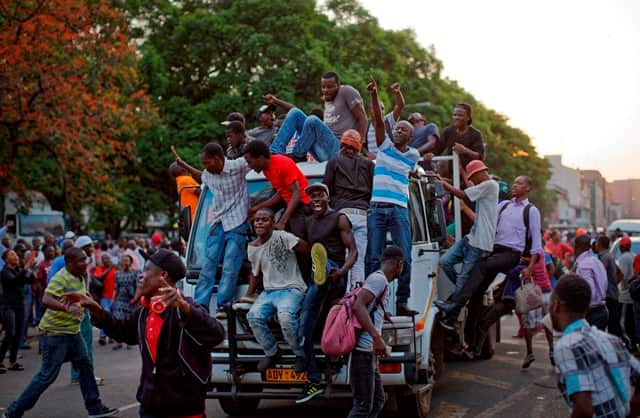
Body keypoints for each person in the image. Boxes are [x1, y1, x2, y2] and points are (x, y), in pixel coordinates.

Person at [63, 249, 226, 418]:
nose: (141, 275)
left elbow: (217, 334)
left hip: (184, 407)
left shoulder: (185, 308)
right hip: (150, 404)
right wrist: (94, 307)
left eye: (146, 270)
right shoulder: (144, 312)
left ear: (163, 275)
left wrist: (184, 307)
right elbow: (122, 331)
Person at [3, 248, 118, 418]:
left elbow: (83, 296)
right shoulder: (61, 277)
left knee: (85, 367)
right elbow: (46, 299)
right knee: (46, 376)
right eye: (81, 260)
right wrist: (67, 307)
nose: (85, 263)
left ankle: (95, 408)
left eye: (86, 259)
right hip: (55, 334)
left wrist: (90, 306)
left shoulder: (81, 275)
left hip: (72, 332)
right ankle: (13, 412)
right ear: (70, 262)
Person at [172, 143, 250, 317]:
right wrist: (183, 164)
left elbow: (258, 159)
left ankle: (223, 305)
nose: (205, 167)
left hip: (237, 222)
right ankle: (200, 306)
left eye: (207, 163)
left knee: (230, 265)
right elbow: (202, 177)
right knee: (207, 265)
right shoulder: (209, 174)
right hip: (218, 222)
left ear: (217, 159)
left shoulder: (238, 165)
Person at [364, 75, 421, 316]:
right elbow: (378, 120)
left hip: (398, 209)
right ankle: (371, 300)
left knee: (404, 256)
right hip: (377, 208)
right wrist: (374, 94)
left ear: (410, 137)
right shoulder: (383, 146)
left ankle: (401, 301)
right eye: (396, 128)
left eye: (403, 130)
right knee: (373, 257)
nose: (397, 131)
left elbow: (395, 112)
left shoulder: (413, 156)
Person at [297, 182, 357, 403]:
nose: (316, 199)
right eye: (312, 196)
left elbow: (353, 250)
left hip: (336, 278)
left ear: (328, 198)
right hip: (317, 280)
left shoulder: (339, 218)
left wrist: (342, 270)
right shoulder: (309, 221)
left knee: (325, 263)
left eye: (320, 194)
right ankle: (314, 379)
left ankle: (324, 270)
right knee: (304, 329)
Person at [550, 274, 640, 418]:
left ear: (556, 305)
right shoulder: (610, 340)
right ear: (588, 309)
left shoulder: (566, 346)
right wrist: (630, 411)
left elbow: (584, 409)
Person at [246, 208, 309, 372]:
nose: (259, 222)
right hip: (269, 291)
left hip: (292, 288)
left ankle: (301, 354)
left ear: (273, 223)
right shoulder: (252, 246)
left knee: (286, 318)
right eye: (257, 220)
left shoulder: (282, 236)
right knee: (253, 316)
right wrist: (248, 295)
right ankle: (272, 351)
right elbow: (255, 273)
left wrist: (292, 242)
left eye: (264, 219)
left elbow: (307, 249)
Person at [435, 160, 499, 322]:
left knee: (463, 276)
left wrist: (444, 185)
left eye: (473, 176)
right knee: (445, 262)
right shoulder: (484, 186)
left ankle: (455, 304)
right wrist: (460, 172)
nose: (473, 180)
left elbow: (464, 194)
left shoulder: (491, 185)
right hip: (471, 238)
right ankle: (463, 294)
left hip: (480, 243)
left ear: (479, 174)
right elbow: (470, 187)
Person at [348, 245, 404, 418]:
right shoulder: (379, 279)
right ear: (399, 264)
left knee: (378, 400)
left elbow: (368, 304)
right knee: (362, 407)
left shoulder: (379, 281)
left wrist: (381, 312)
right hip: (362, 352)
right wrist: (376, 337)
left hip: (368, 353)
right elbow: (358, 306)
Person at [267, 72, 368, 162]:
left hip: (339, 148)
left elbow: (362, 119)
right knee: (295, 113)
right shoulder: (328, 100)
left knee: (312, 120)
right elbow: (300, 115)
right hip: (323, 149)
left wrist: (357, 147)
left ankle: (297, 155)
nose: (326, 90)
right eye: (323, 87)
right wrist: (276, 101)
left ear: (338, 85)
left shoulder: (346, 91)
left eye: (330, 87)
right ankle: (275, 152)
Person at [323, 129, 374, 291]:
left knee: (342, 259)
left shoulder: (334, 161)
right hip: (363, 216)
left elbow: (326, 190)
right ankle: (355, 295)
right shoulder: (368, 164)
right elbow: (373, 191)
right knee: (358, 260)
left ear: (342, 145)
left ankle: (343, 300)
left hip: (343, 216)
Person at [244, 140, 311, 240]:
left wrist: (282, 221)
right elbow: (281, 193)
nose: (249, 166)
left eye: (250, 162)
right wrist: (256, 208)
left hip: (302, 203)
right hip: (288, 202)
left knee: (295, 236)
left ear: (261, 158)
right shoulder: (267, 170)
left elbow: (296, 194)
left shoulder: (282, 163)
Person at [0, 249, 35, 373]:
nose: (15, 256)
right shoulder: (4, 272)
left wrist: (29, 269)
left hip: (19, 305)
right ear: (5, 259)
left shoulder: (19, 270)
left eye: (15, 254)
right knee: (10, 333)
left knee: (17, 334)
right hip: (7, 306)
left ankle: (12, 362)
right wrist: (26, 268)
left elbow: (30, 280)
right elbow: (14, 281)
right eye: (12, 255)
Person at [573, 234, 609, 330]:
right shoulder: (595, 261)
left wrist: (583, 312)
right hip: (600, 310)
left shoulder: (584, 264)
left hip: (592, 313)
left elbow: (590, 291)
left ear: (577, 247)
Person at [438, 103, 485, 169]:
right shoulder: (448, 131)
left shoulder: (476, 134)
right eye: (455, 115)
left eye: (460, 115)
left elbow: (480, 157)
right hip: (452, 173)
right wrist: (430, 154)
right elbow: (437, 149)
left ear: (468, 118)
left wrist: (465, 150)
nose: (456, 117)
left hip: (469, 174)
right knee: (442, 164)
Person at [594, 235, 622, 340]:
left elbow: (600, 275)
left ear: (600, 244)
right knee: (613, 325)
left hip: (609, 296)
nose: (595, 245)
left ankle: (622, 347)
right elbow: (620, 274)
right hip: (612, 294)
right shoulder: (608, 256)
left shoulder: (605, 258)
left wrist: (605, 288)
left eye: (596, 243)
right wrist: (613, 284)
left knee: (611, 327)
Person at [365, 82, 404, 156]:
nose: (380, 111)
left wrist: (398, 93)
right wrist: (367, 154)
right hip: (373, 163)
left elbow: (400, 106)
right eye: (376, 108)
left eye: (382, 109)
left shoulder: (388, 120)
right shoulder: (367, 124)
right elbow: (362, 144)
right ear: (370, 110)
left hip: (388, 160)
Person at [110, 254, 139, 349]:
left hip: (132, 300)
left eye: (127, 260)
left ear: (130, 262)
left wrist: (135, 298)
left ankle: (128, 341)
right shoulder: (118, 274)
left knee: (129, 322)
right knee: (118, 320)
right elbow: (115, 288)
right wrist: (112, 299)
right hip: (120, 300)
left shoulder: (135, 273)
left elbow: (138, 287)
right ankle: (118, 341)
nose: (125, 262)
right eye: (123, 260)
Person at [617, 236, 637, 351]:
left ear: (622, 247)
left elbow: (622, 276)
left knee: (624, 322)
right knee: (631, 321)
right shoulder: (633, 255)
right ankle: (633, 343)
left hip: (625, 295)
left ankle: (630, 345)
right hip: (632, 294)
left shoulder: (624, 258)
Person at [95, 254, 117, 346]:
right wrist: (109, 269)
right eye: (104, 259)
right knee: (105, 315)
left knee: (113, 316)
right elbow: (99, 277)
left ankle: (111, 335)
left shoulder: (115, 269)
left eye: (108, 258)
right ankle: (103, 336)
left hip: (114, 296)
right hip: (104, 296)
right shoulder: (100, 268)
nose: (106, 260)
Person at [34, 244, 56, 324]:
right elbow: (39, 282)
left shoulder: (55, 263)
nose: (52, 253)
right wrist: (40, 297)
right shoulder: (41, 265)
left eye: (53, 251)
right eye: (50, 251)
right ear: (44, 252)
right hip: (46, 294)